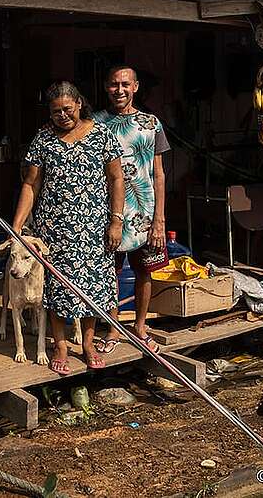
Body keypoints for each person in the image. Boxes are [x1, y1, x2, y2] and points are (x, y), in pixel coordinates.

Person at [11, 80, 125, 374]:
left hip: (93, 228)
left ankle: (87, 343)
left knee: (92, 286)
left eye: (67, 109)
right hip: (53, 229)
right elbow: (30, 184)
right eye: (55, 111)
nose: (62, 116)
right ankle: (61, 344)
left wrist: (116, 220)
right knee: (55, 288)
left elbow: (116, 180)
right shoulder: (43, 139)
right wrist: (17, 225)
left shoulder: (102, 135)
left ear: (79, 104)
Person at [93, 65, 170, 354]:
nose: (120, 90)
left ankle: (139, 327)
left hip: (144, 212)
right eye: (114, 84)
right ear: (106, 87)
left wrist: (159, 218)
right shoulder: (95, 123)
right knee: (108, 272)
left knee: (144, 271)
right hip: (106, 212)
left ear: (136, 87)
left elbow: (158, 174)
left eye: (125, 84)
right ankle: (112, 327)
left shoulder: (151, 124)